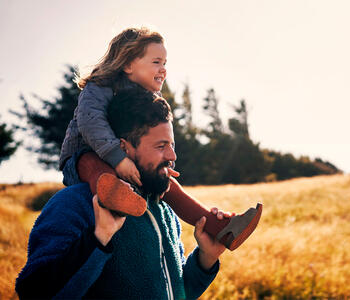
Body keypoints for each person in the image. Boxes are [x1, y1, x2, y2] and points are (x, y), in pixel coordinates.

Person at [59, 27, 262, 251]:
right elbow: (91, 122)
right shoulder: (100, 86)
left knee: (171, 188)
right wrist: (117, 159)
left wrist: (165, 164)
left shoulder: (151, 97)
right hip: (84, 155)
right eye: (156, 62)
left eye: (165, 63)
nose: (163, 70)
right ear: (127, 64)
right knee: (92, 165)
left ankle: (220, 227)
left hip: (127, 157)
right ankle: (113, 200)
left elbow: (160, 138)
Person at [16, 91, 228, 299]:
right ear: (123, 148)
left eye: (171, 145)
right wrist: (99, 238)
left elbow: (176, 292)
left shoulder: (162, 209)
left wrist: (206, 257)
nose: (172, 156)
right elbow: (33, 291)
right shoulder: (73, 204)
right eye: (161, 146)